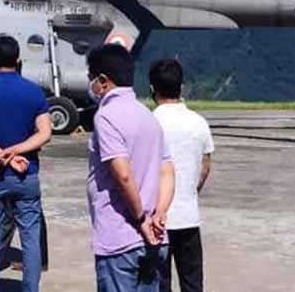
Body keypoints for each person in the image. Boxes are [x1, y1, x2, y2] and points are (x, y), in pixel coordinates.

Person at [86, 44, 175, 292]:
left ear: (103, 80)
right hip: (155, 237)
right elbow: (167, 168)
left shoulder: (106, 117)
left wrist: (141, 219)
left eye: (90, 77)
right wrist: (160, 213)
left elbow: (122, 175)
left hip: (120, 237)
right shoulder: (147, 115)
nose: (90, 84)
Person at [0, 34, 52, 292]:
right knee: (29, 238)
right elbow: (45, 133)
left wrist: (2, 154)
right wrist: (17, 152)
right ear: (18, 59)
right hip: (26, 174)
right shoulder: (34, 91)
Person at [149, 59, 214, 292]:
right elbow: (204, 167)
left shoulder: (150, 122)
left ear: (152, 89)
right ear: (181, 88)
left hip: (156, 217)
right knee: (192, 282)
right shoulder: (199, 123)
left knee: (159, 282)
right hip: (188, 215)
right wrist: (189, 191)